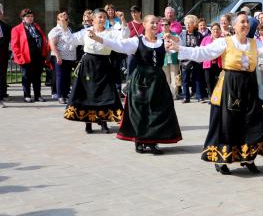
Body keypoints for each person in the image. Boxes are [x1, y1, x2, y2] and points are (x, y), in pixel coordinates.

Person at [167, 13, 263, 174]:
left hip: (248, 87)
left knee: (252, 121)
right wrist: (179, 48)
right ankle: (222, 159)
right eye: (242, 22)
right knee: (227, 123)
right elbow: (203, 53)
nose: (246, 25)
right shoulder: (225, 42)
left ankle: (248, 157)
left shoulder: (254, 44)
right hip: (229, 87)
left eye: (247, 22)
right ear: (234, 26)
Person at [88, 15, 182, 154]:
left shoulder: (163, 41)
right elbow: (117, 45)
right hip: (141, 80)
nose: (156, 25)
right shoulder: (136, 41)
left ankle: (153, 141)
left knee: (159, 109)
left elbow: (179, 45)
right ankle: (139, 140)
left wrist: (173, 38)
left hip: (158, 80)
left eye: (157, 23)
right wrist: (97, 38)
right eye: (152, 23)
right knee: (140, 111)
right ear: (144, 24)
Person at [63, 9, 128, 133]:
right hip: (88, 66)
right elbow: (71, 40)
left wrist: (123, 20)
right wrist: (65, 27)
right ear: (93, 19)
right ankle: (88, 124)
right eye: (100, 17)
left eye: (104, 17)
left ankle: (103, 123)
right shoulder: (86, 32)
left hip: (104, 65)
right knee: (88, 94)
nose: (102, 19)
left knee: (104, 94)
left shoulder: (110, 32)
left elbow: (123, 37)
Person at [10, 8, 50, 103]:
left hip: (38, 57)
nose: (30, 18)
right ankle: (27, 95)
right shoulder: (16, 29)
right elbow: (15, 46)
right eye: (28, 16)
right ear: (23, 18)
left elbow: (42, 39)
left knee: (37, 77)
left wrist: (44, 53)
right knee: (26, 77)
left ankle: (38, 95)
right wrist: (19, 57)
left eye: (32, 16)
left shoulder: (36, 26)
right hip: (25, 57)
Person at [48, 9, 78, 104]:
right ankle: (60, 95)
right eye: (62, 19)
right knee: (60, 76)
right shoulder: (55, 30)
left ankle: (65, 94)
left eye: (66, 19)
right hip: (59, 57)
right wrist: (58, 56)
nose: (64, 21)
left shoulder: (69, 29)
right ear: (57, 20)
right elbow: (52, 44)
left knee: (67, 77)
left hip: (70, 57)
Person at [180, 15, 206, 103]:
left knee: (198, 77)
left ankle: (199, 96)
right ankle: (186, 97)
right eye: (186, 23)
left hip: (196, 58)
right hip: (185, 59)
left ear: (194, 24)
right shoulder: (182, 34)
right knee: (185, 78)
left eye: (190, 23)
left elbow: (202, 46)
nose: (187, 25)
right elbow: (179, 45)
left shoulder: (199, 35)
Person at [201, 23, 223, 104]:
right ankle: (211, 98)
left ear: (220, 30)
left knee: (219, 81)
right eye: (214, 29)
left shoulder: (223, 39)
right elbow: (201, 49)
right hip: (208, 64)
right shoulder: (206, 39)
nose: (216, 31)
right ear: (211, 30)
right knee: (209, 81)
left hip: (219, 64)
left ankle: (219, 98)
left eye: (217, 29)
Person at [159, 19, 181, 99]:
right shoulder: (158, 36)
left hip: (173, 57)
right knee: (166, 78)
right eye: (162, 25)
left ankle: (174, 95)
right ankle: (167, 94)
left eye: (166, 24)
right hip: (164, 59)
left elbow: (178, 42)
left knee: (174, 77)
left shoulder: (175, 34)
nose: (164, 26)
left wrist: (170, 37)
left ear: (169, 25)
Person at [0, 4, 10, 106]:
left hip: (3, 55)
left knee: (2, 75)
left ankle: (2, 93)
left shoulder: (5, 26)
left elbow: (9, 40)